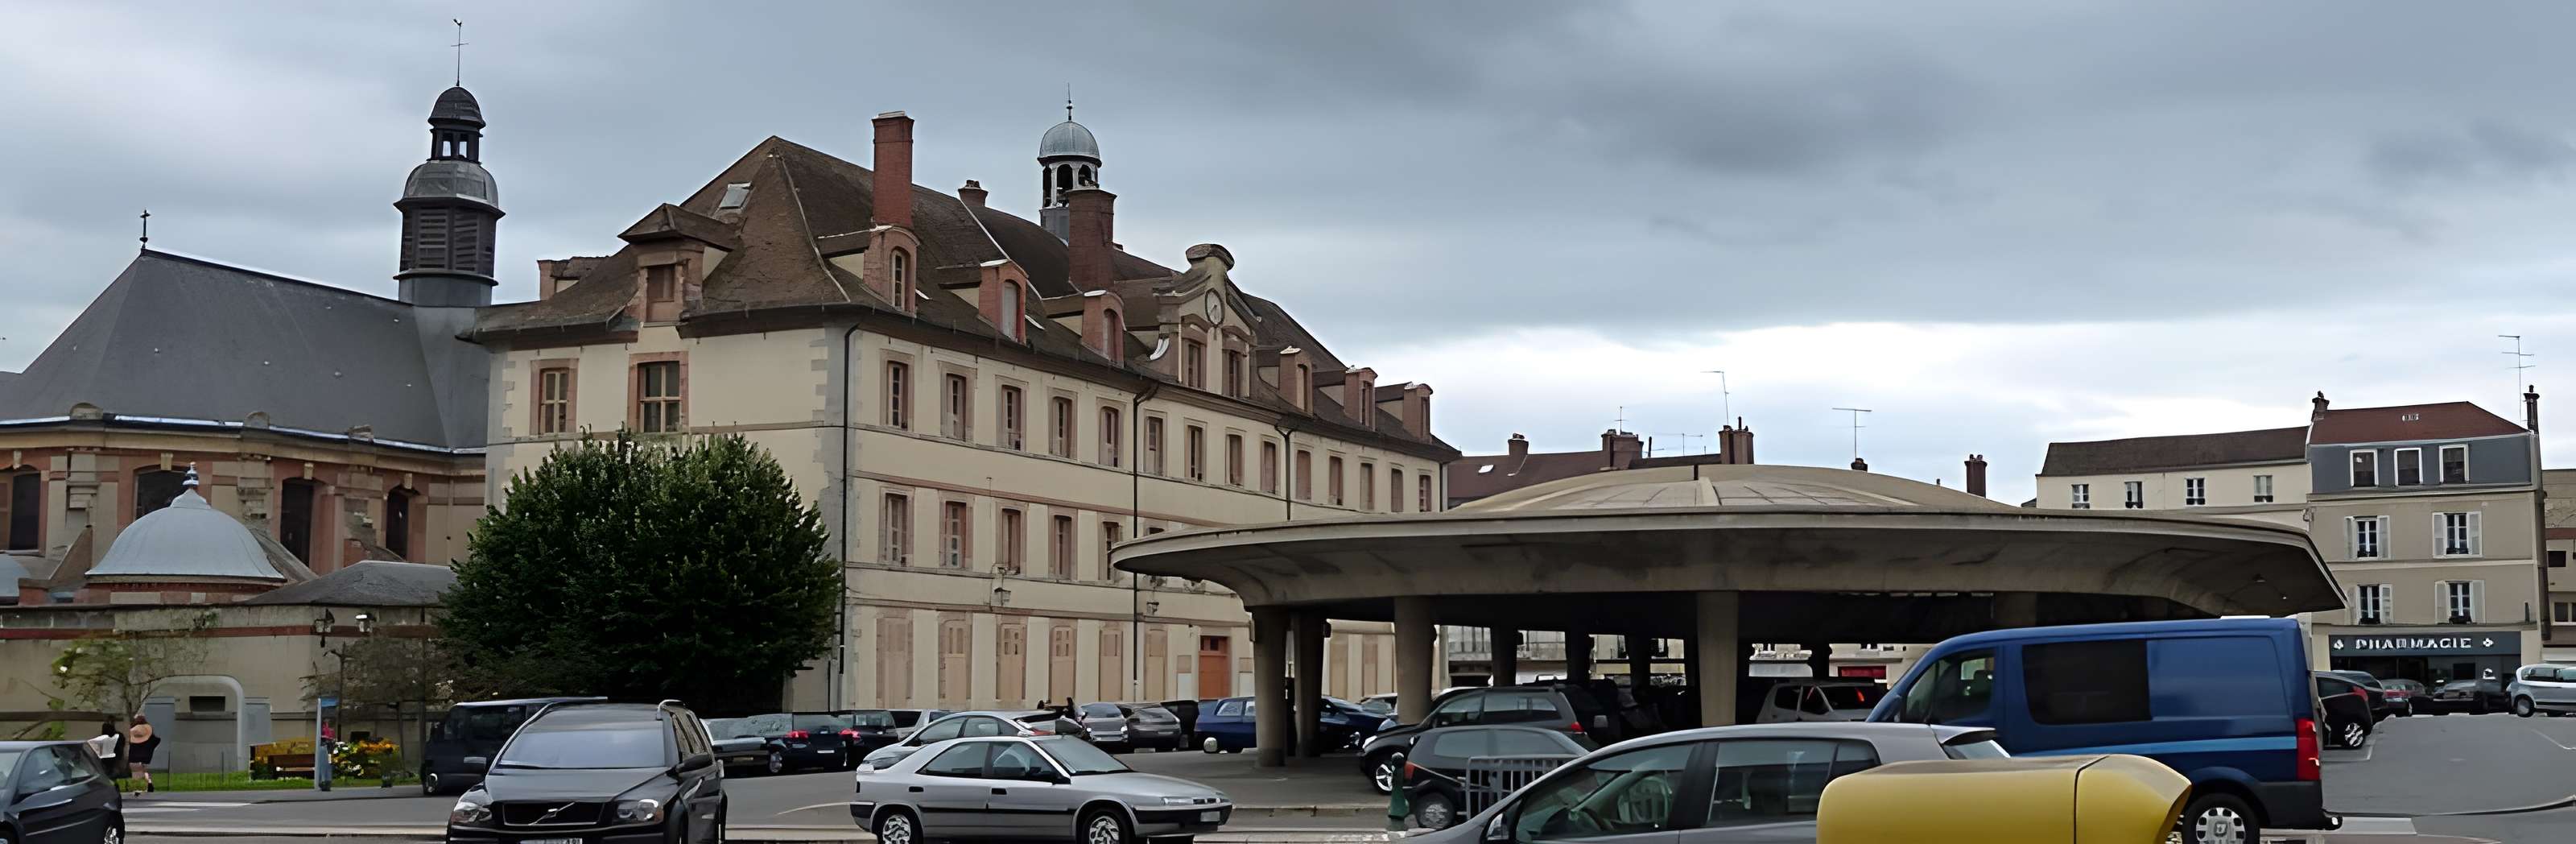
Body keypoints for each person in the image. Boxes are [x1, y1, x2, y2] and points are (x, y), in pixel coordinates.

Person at [125, 714, 159, 794]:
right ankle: (148, 784)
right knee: (144, 771)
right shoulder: (147, 732)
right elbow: (156, 740)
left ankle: (137, 788)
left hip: (134, 756)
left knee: (136, 772)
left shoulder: (133, 732)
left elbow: (130, 743)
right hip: (145, 756)